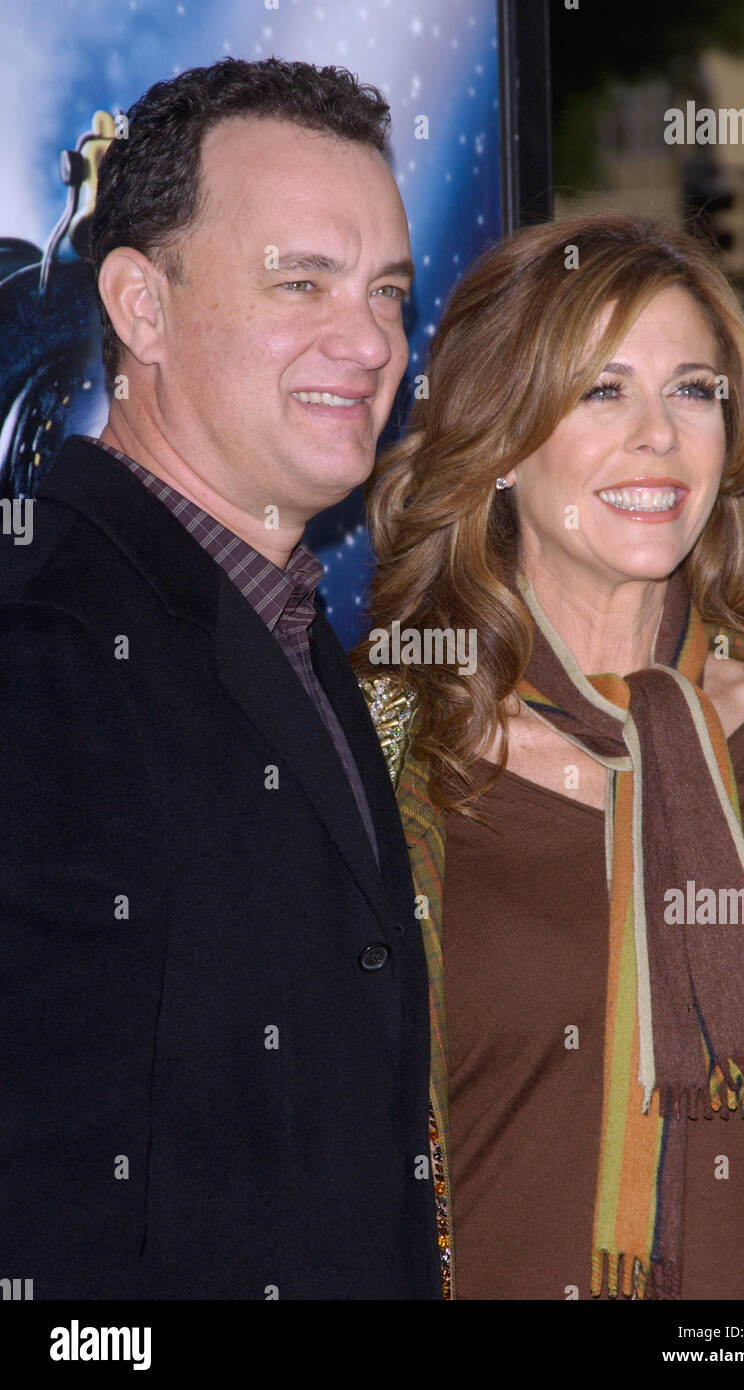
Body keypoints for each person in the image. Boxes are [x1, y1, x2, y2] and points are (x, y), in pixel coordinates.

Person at [0, 58, 440, 1300]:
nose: (368, 343)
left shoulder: (285, 625)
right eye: (300, 281)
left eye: (387, 293)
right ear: (138, 307)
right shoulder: (40, 644)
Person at [357, 212, 744, 1301]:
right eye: (602, 390)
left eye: (692, 389)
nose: (660, 437)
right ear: (497, 437)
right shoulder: (379, 757)